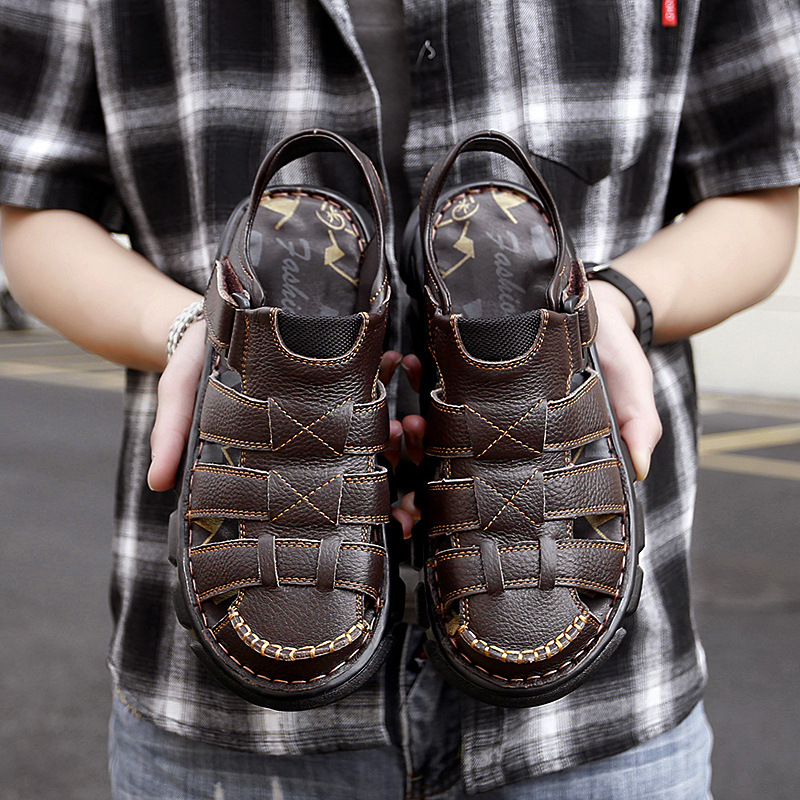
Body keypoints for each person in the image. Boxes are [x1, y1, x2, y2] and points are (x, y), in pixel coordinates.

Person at [1, 1, 798, 797]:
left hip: (600, 721)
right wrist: (192, 330)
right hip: (219, 719)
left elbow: (764, 190)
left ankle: (501, 351)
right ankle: (298, 357)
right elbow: (31, 205)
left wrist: (612, 305)